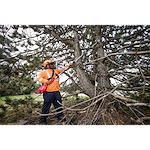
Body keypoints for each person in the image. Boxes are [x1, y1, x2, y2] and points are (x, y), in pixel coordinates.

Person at [36, 60, 73, 125]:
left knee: (58, 105)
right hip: (48, 93)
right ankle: (42, 120)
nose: (53, 65)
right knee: (46, 106)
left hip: (56, 92)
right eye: (51, 64)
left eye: (53, 63)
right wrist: (46, 81)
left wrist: (69, 65)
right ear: (47, 66)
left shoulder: (56, 71)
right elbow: (38, 78)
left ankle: (60, 116)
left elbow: (64, 69)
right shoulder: (44, 72)